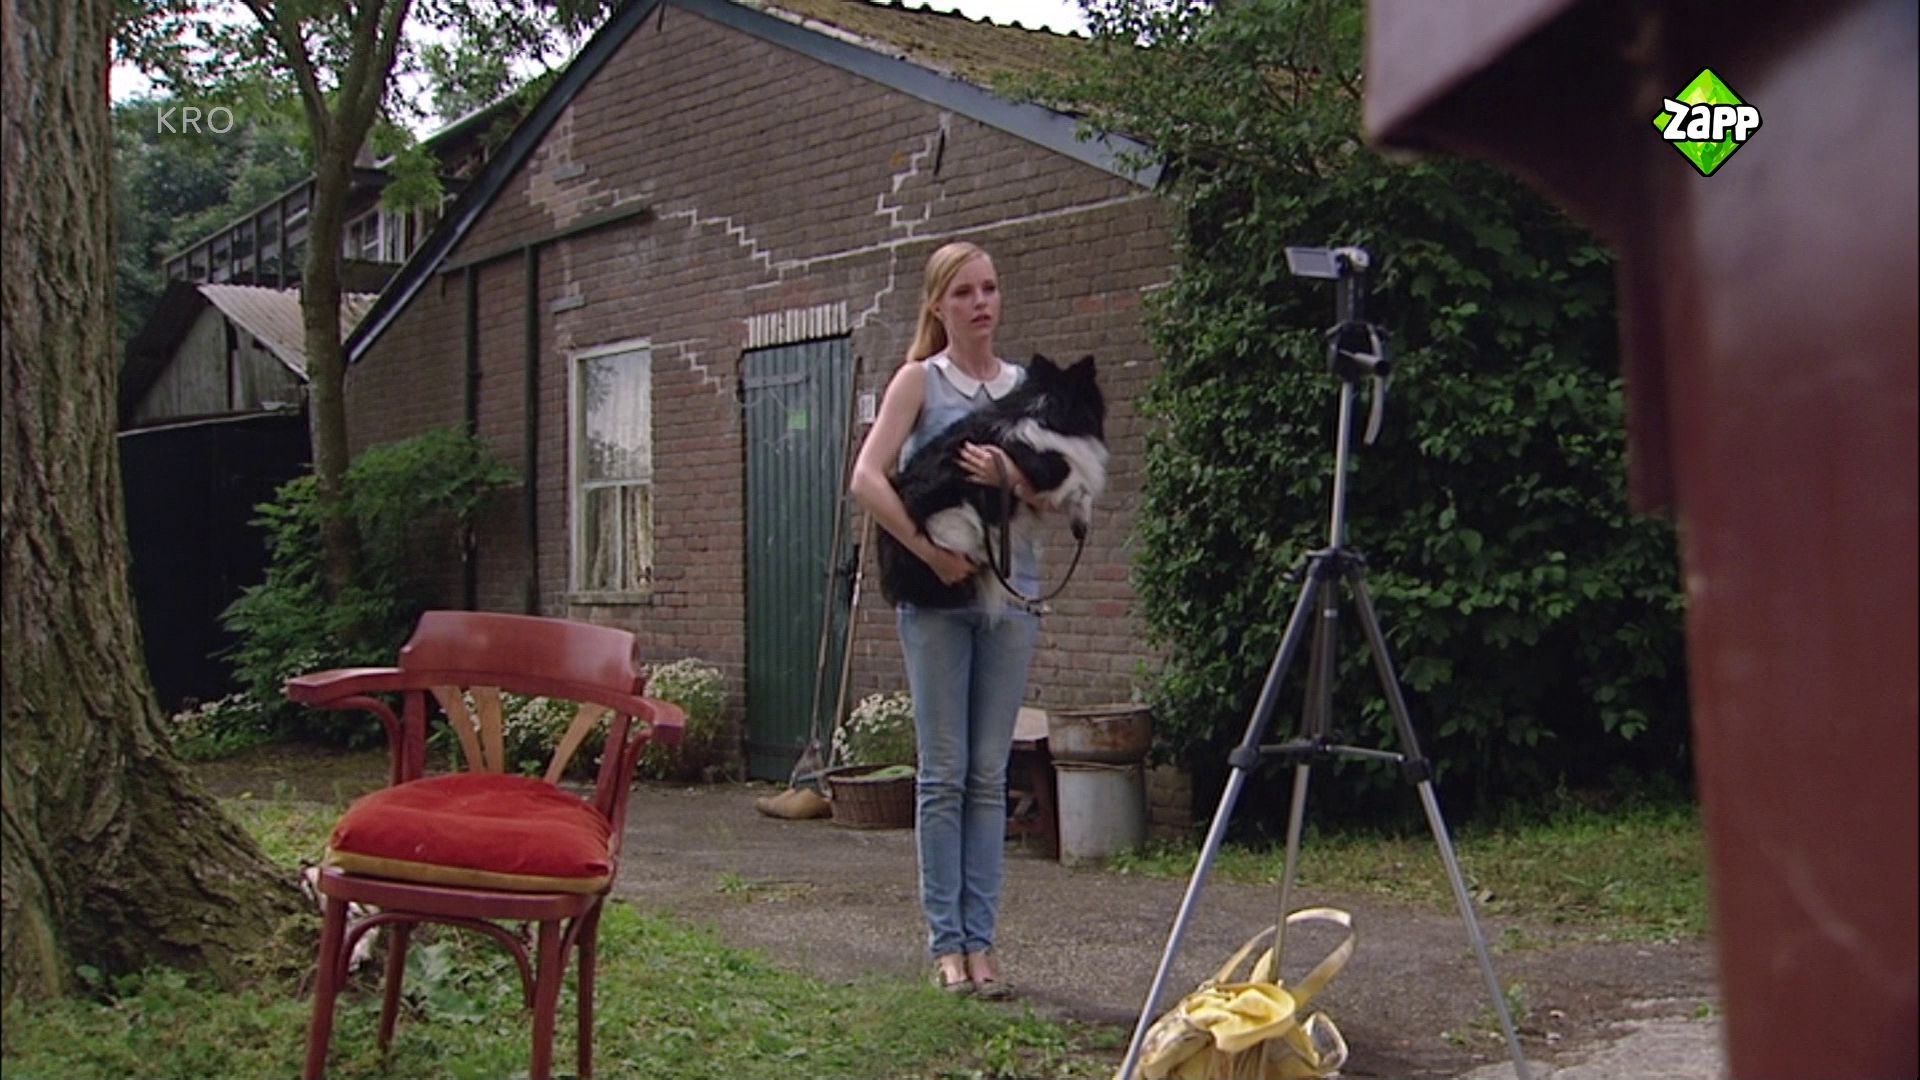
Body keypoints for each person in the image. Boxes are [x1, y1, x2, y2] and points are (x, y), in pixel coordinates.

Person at [849, 241, 1045, 998]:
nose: (980, 303)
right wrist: (928, 552)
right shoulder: (919, 381)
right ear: (938, 305)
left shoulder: (1023, 387)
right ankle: (947, 948)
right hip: (936, 601)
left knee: (989, 774)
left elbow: (1051, 490)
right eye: (964, 292)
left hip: (1011, 596)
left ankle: (983, 945)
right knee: (944, 773)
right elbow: (867, 478)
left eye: (989, 288)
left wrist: (1010, 473)